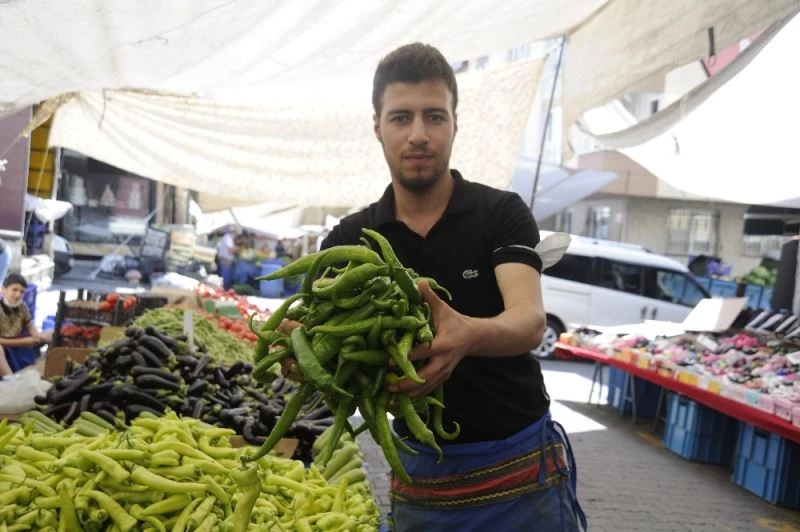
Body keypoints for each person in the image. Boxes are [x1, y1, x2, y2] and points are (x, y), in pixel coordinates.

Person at [288, 43, 586, 530]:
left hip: (519, 472)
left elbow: (529, 321)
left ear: (454, 122)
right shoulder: (349, 239)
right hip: (422, 480)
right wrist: (301, 357)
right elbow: (319, 341)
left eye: (435, 116)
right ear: (378, 126)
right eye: (401, 118)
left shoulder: (500, 214)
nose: (419, 135)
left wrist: (467, 333)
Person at [0, 273, 52, 376]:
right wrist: (22, 342)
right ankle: (11, 379)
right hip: (5, 345)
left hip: (21, 343)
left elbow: (29, 325)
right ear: (3, 290)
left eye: (22, 292)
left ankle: (47, 370)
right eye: (14, 290)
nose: (18, 295)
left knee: (51, 334)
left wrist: (36, 336)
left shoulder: (22, 307)